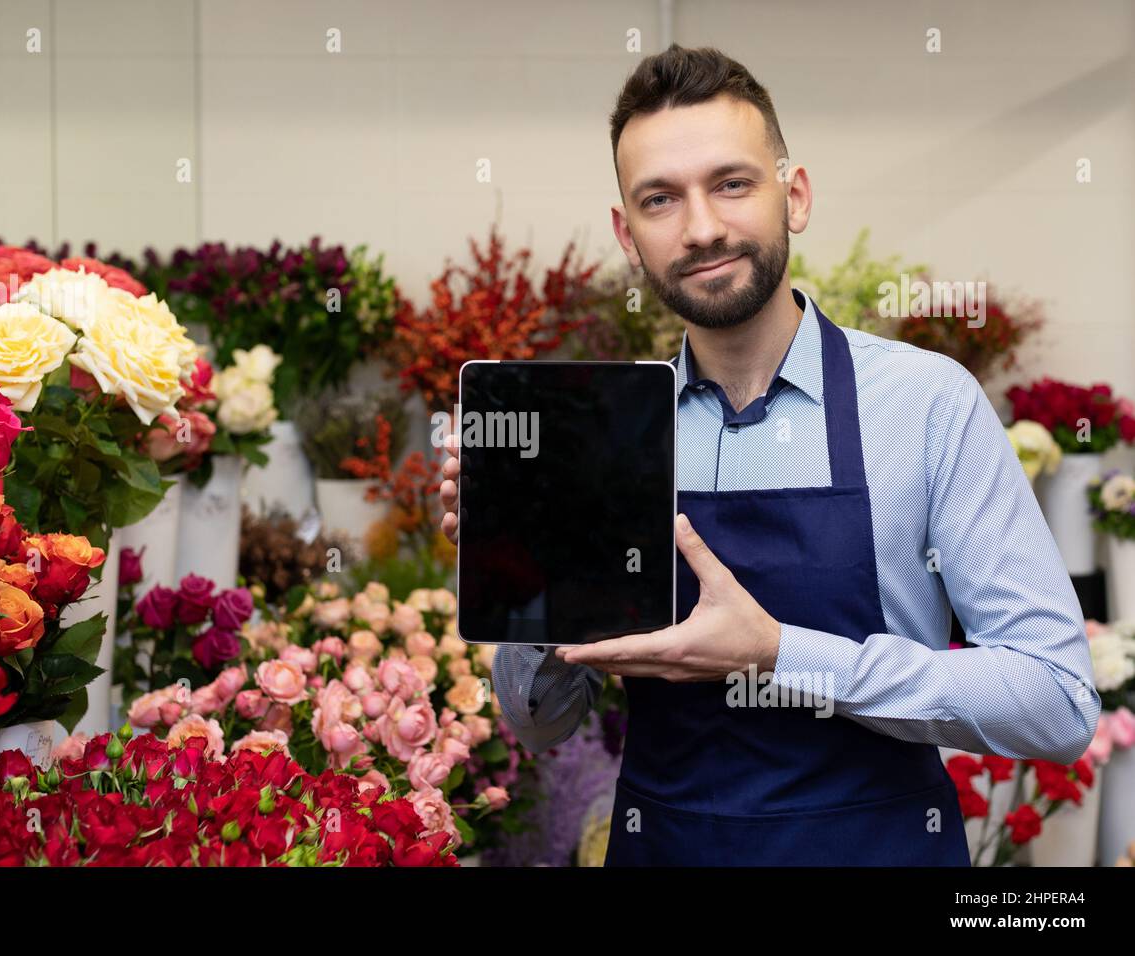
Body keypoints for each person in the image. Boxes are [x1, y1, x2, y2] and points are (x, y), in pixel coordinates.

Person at [438, 45, 1099, 866]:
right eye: (660, 199)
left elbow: (1058, 703)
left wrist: (782, 654)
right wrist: (527, 570)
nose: (703, 227)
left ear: (796, 195)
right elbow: (542, 725)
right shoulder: (595, 435)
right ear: (628, 236)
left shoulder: (927, 404)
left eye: (732, 183)